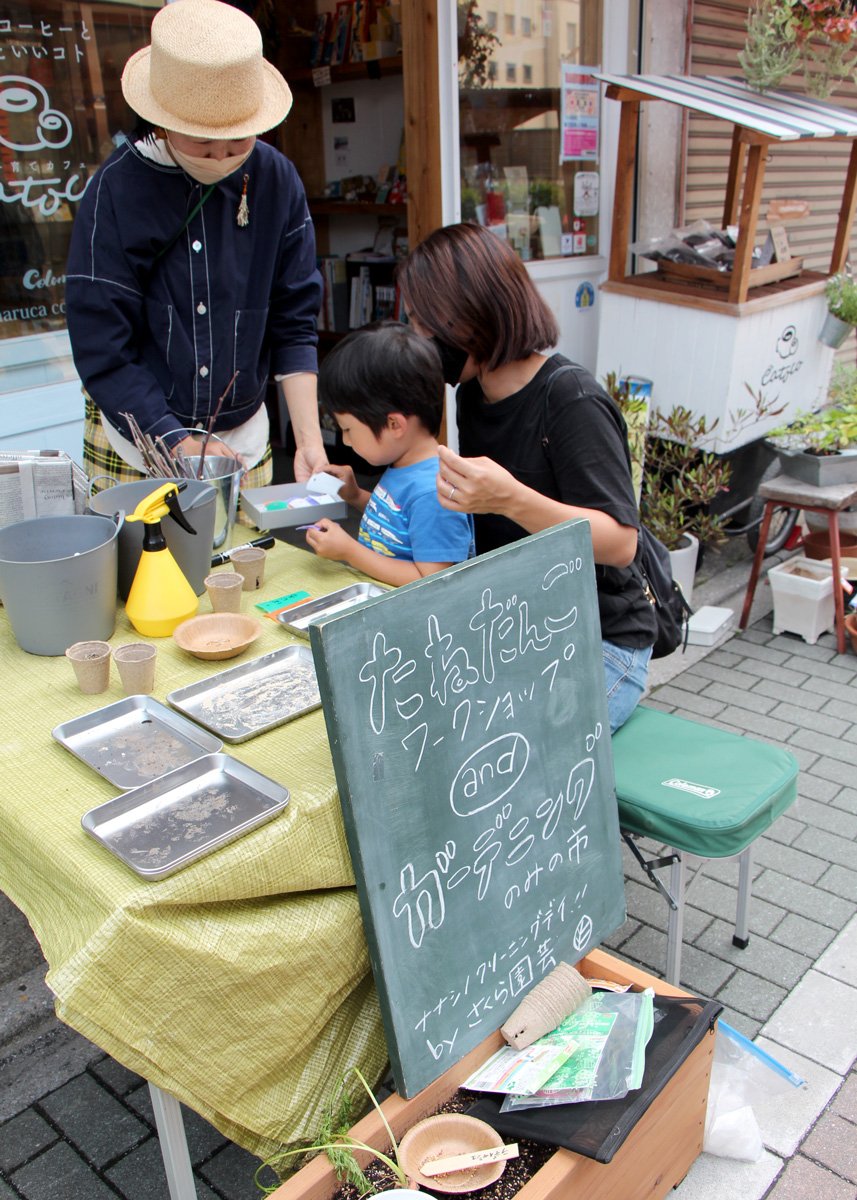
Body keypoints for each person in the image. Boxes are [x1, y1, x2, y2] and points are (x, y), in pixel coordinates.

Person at [397, 222, 657, 732]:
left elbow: (621, 542)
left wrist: (510, 499)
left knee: (508, 746)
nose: (419, 338)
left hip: (600, 642)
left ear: (474, 313)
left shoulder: (570, 399)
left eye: (426, 323)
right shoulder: (472, 396)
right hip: (523, 632)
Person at [65, 0, 327, 495]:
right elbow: (103, 348)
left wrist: (309, 439)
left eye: (237, 140)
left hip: (242, 442)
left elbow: (294, 319)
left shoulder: (276, 181)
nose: (224, 156)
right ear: (162, 119)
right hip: (137, 441)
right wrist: (174, 440)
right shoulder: (115, 191)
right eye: (205, 144)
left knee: (248, 571)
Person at [305, 321, 474, 585]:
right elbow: (400, 522)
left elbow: (432, 580)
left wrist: (350, 552)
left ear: (394, 425)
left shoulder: (434, 492)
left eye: (348, 429)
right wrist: (356, 495)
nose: (347, 441)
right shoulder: (405, 463)